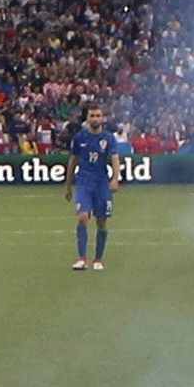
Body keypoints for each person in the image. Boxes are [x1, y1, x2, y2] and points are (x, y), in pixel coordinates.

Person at [67, 102, 125, 271]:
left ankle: (98, 259)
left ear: (103, 118)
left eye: (98, 116)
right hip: (84, 182)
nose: (95, 119)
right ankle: (82, 258)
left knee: (101, 221)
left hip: (101, 183)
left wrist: (115, 178)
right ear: (87, 118)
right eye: (92, 116)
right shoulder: (80, 137)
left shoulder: (108, 138)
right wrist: (68, 184)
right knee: (82, 217)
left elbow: (114, 158)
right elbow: (73, 160)